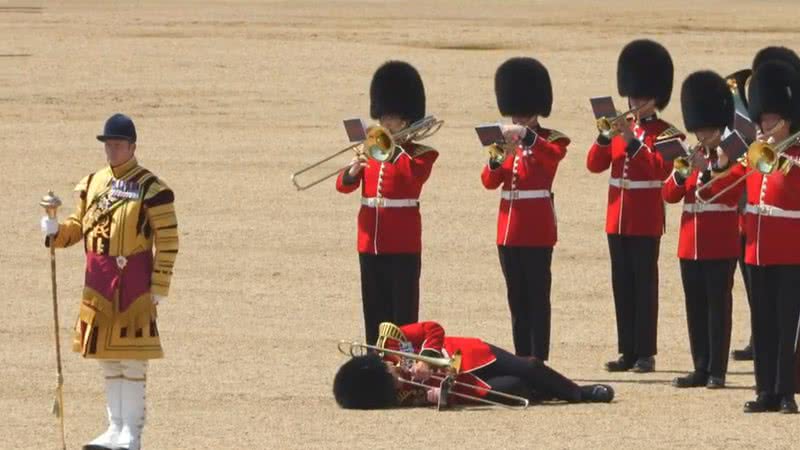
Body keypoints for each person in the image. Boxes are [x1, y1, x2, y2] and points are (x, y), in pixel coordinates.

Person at [40, 113, 179, 449]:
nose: (112, 150)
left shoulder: (152, 188)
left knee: (132, 360)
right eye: (109, 144)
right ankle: (114, 427)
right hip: (98, 281)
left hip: (134, 282)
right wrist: (57, 233)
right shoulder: (92, 184)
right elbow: (78, 226)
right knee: (107, 359)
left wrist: (159, 285)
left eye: (118, 144)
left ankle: (132, 431)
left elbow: (169, 240)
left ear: (132, 146)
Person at [699, 60, 800, 413]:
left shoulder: (796, 155)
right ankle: (765, 391)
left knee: (787, 326)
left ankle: (786, 391)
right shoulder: (757, 155)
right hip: (756, 249)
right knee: (764, 322)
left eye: (768, 120)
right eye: (760, 120)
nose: (762, 126)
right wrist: (715, 169)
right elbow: (729, 184)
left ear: (786, 120)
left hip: (790, 251)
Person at [586, 39, 684, 373]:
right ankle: (626, 350)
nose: (636, 102)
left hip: (645, 218)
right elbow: (594, 165)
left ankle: (646, 351)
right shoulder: (619, 128)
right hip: (617, 217)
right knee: (622, 284)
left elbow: (660, 169)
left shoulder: (669, 134)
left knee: (644, 285)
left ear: (657, 98)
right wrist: (604, 137)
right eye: (633, 96)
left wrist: (632, 142)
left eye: (643, 97)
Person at [335, 61, 438, 345]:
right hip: (369, 241)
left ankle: (402, 369)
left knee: (402, 315)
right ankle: (376, 363)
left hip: (401, 243)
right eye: (383, 118)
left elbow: (413, 177)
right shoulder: (372, 148)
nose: (385, 124)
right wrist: (354, 168)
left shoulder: (420, 153)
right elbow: (343, 186)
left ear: (405, 120)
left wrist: (390, 151)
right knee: (374, 309)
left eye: (391, 119)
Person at [481, 57, 569, 360]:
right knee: (516, 299)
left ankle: (538, 359)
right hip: (508, 229)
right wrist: (496, 158)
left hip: (536, 229)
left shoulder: (550, 139)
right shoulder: (506, 141)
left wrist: (528, 137)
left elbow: (551, 158)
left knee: (537, 298)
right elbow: (489, 182)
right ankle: (521, 358)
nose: (518, 117)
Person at [333, 321, 614, 409]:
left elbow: (431, 328)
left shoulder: (391, 342)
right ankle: (548, 392)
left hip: (469, 353)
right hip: (466, 383)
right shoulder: (400, 395)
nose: (400, 378)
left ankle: (580, 393)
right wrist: (435, 395)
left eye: (393, 375)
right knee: (517, 390)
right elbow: (441, 398)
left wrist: (426, 360)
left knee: (530, 366)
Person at [663, 71, 738, 389]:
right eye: (701, 129)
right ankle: (701, 366)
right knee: (695, 307)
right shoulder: (690, 156)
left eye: (709, 129)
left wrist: (710, 169)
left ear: (719, 127)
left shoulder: (733, 160)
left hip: (719, 244)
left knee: (717, 309)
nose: (704, 134)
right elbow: (669, 194)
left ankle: (718, 371)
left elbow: (729, 193)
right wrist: (681, 175)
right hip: (689, 244)